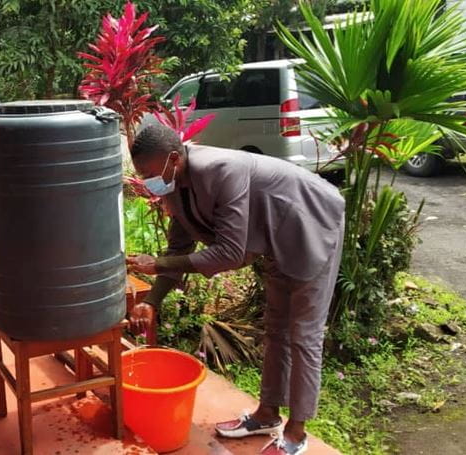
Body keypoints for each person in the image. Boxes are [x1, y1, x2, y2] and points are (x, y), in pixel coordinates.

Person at [125, 124, 345, 455]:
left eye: (149, 173)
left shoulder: (222, 170)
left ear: (173, 158)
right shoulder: (172, 183)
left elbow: (229, 254)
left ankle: (296, 433)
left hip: (310, 226)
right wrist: (152, 301)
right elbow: (177, 249)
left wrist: (157, 265)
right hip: (273, 242)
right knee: (275, 331)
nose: (147, 181)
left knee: (304, 336)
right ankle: (266, 415)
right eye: (142, 174)